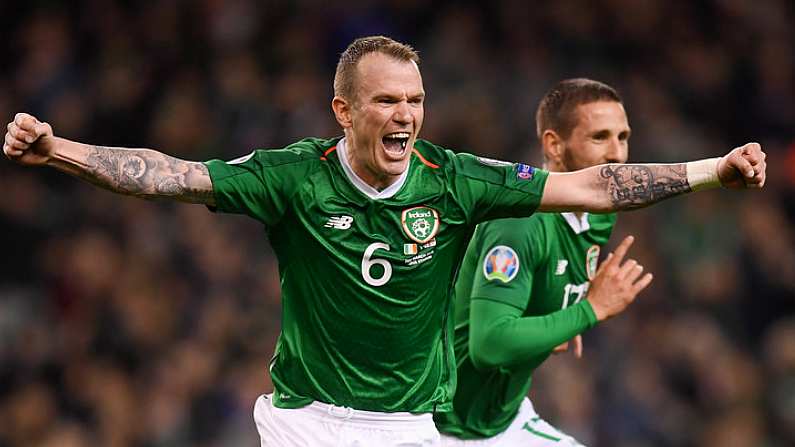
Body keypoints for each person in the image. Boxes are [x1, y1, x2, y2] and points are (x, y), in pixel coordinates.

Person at [3, 36, 766, 447]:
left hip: (407, 426)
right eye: (386, 100)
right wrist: (58, 150)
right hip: (304, 420)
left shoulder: (456, 178)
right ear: (343, 108)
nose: (406, 114)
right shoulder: (292, 178)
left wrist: (712, 171)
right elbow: (165, 175)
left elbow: (598, 185)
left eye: (416, 100)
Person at [434, 78, 642, 446]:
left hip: (502, 420)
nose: (617, 154)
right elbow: (489, 345)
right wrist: (589, 311)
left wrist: (558, 322)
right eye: (600, 138)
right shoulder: (520, 221)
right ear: (554, 145)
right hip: (435, 426)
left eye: (622, 137)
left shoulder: (598, 216)